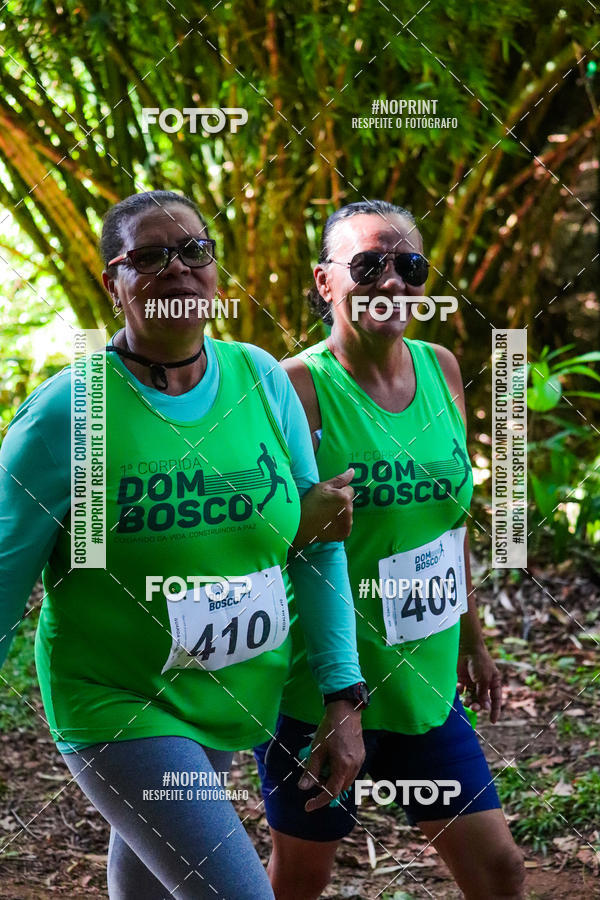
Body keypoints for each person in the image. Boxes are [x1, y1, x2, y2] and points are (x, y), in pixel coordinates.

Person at [0, 190, 367, 899]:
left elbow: (318, 542)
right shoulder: (66, 414)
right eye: (149, 256)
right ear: (115, 282)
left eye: (194, 250)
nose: (177, 269)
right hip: (118, 701)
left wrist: (343, 695)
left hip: (230, 694)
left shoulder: (260, 378)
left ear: (216, 271)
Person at [254, 200, 526, 899]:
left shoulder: (442, 367)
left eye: (409, 265)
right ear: (324, 281)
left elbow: (449, 525)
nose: (392, 282)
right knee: (301, 883)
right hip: (316, 692)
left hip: (422, 680)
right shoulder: (295, 387)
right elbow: (261, 539)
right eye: (368, 265)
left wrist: (474, 638)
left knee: (499, 871)